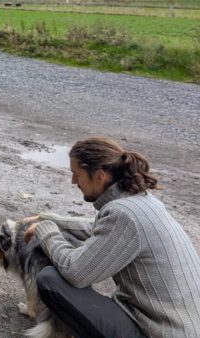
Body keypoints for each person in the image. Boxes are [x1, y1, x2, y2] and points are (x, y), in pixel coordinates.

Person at [24, 137, 200, 338]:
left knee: (50, 280)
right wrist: (49, 219)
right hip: (180, 327)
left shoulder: (123, 214)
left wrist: (46, 231)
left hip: (159, 332)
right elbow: (100, 230)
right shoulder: (140, 201)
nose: (73, 181)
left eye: (76, 174)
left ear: (99, 176)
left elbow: (76, 272)